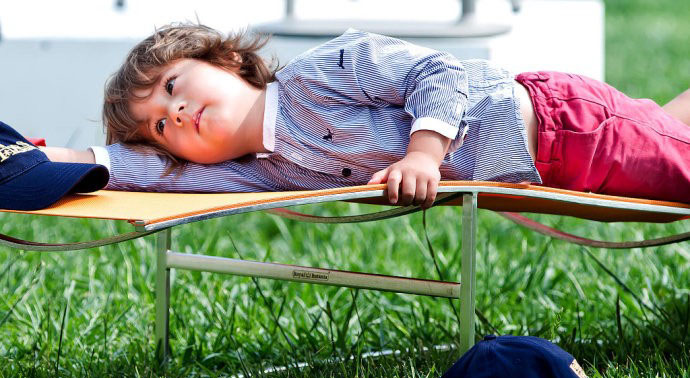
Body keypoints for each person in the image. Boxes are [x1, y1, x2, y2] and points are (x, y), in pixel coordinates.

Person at [43, 23, 690, 209]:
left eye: (173, 86)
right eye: (161, 124)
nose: (177, 111)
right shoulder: (255, 174)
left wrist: (423, 153)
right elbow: (142, 171)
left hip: (565, 126)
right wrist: (45, 159)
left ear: (230, 60)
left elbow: (437, 72)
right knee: (668, 135)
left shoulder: (321, 71)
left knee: (678, 165)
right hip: (546, 168)